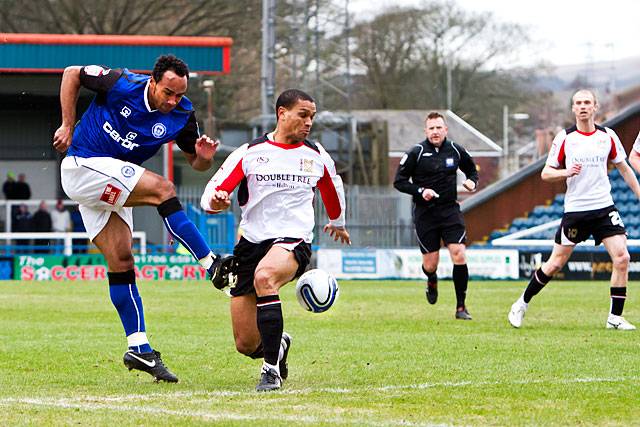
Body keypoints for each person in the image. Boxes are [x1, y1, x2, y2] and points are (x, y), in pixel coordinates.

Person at [53, 54, 235, 382]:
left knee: (122, 260)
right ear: (152, 82)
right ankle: (211, 264)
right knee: (163, 188)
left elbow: (196, 162)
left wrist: (205, 159)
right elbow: (71, 73)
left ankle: (139, 348)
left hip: (110, 182)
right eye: (168, 92)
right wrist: (67, 124)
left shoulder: (182, 114)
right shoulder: (121, 83)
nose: (173, 100)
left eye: (179, 94)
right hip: (83, 165)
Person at [200, 89, 351, 392]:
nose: (309, 122)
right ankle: (278, 345)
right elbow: (211, 194)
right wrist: (216, 202)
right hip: (250, 244)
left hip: (293, 241)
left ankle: (270, 372)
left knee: (265, 276)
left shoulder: (316, 155)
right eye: (303, 115)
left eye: (312, 116)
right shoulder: (249, 152)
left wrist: (338, 223)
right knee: (245, 343)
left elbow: (333, 189)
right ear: (282, 113)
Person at [508, 89, 640, 331]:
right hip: (576, 211)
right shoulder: (565, 138)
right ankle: (521, 303)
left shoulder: (607, 136)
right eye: (578, 103)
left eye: (587, 102)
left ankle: (615, 317)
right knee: (555, 264)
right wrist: (565, 172)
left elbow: (624, 168)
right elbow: (546, 173)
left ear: (595, 107)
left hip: (603, 208)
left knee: (622, 257)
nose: (582, 106)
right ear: (573, 109)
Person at [393, 111, 478, 320]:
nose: (435, 132)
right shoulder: (417, 152)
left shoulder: (456, 150)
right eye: (431, 128)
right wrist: (421, 191)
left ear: (446, 129)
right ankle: (431, 279)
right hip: (425, 214)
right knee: (430, 264)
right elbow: (399, 181)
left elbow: (472, 171)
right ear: (426, 131)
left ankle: (461, 307)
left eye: (439, 127)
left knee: (459, 254)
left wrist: (472, 182)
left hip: (450, 211)